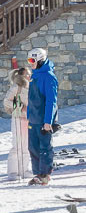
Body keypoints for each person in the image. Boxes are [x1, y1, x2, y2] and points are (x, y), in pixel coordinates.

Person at [27, 48, 58, 185]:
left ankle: (45, 174)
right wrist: (28, 114)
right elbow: (32, 97)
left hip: (43, 118)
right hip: (33, 117)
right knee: (33, 147)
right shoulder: (35, 75)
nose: (30, 64)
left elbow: (51, 101)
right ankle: (38, 173)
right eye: (29, 61)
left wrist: (48, 121)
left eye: (32, 61)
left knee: (44, 147)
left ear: (40, 60)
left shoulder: (48, 76)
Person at [5, 67, 32, 181]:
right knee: (17, 145)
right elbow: (7, 101)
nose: (29, 76)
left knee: (26, 146)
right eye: (27, 74)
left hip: (28, 119)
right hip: (17, 118)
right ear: (22, 76)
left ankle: (24, 170)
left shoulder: (31, 87)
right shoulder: (16, 87)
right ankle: (13, 172)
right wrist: (21, 107)